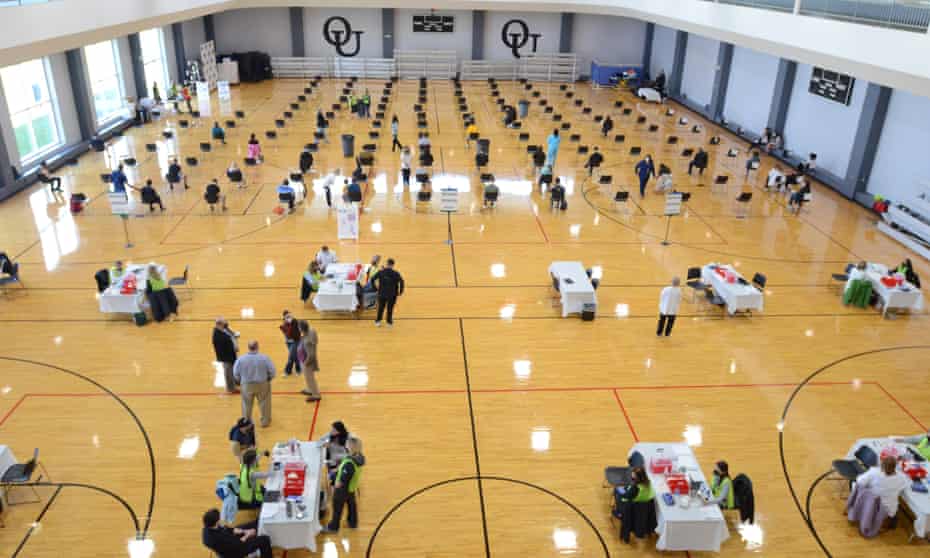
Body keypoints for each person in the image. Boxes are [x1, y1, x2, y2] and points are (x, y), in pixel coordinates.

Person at [322, 437, 365, 533]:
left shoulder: (349, 463)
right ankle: (353, 523)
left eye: (347, 444)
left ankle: (333, 527)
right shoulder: (359, 457)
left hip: (343, 489)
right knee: (351, 505)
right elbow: (346, 466)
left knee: (337, 507)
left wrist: (336, 483)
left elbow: (344, 478)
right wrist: (337, 470)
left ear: (351, 447)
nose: (346, 446)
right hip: (351, 487)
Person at [855, 455, 909, 524]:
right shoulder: (902, 478)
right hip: (887, 510)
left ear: (881, 464)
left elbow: (859, 482)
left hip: (869, 506)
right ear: (895, 467)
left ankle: (856, 510)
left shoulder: (874, 472)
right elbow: (903, 487)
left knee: (857, 486)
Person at [233, 341, 276, 427]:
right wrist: (268, 379)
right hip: (262, 384)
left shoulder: (241, 359)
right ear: (257, 347)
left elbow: (235, 373)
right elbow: (272, 371)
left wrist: (240, 381)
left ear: (248, 347)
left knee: (246, 404)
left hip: (246, 384)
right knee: (264, 403)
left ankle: (246, 421)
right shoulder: (264, 358)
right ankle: (265, 422)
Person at [202, 508, 272, 558]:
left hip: (231, 541)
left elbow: (229, 529)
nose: (220, 520)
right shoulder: (220, 538)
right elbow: (238, 543)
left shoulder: (208, 527)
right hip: (235, 551)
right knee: (265, 540)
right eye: (219, 519)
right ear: (216, 522)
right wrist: (248, 534)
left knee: (253, 524)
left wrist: (245, 531)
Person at [371, 258, 404, 327]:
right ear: (393, 265)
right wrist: (400, 291)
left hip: (382, 293)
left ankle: (378, 321)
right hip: (392, 295)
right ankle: (389, 322)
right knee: (390, 309)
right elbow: (402, 281)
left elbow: (372, 279)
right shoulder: (395, 273)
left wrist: (374, 288)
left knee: (381, 308)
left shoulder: (381, 272)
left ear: (387, 264)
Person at [213, 317, 239, 393]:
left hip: (230, 355)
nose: (226, 324)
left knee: (232, 370)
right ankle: (231, 389)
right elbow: (225, 346)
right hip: (226, 357)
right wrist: (234, 346)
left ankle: (235, 382)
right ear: (220, 324)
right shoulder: (218, 336)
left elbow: (230, 334)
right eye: (224, 323)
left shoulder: (221, 330)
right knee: (228, 372)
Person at [297, 319, 321, 402]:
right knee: (307, 377)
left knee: (310, 378)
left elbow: (311, 355)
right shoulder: (311, 330)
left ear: (302, 328)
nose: (298, 329)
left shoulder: (308, 341)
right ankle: (309, 389)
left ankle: (316, 395)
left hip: (308, 361)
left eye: (299, 327)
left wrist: (306, 363)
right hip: (304, 359)